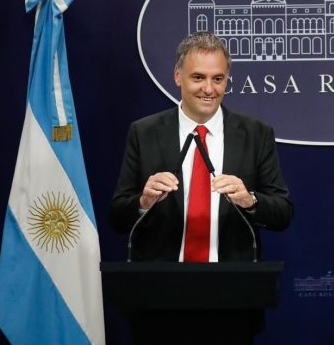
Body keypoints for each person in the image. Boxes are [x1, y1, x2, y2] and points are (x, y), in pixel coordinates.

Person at [109, 31, 293, 343]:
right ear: (177, 76)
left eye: (218, 79)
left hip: (231, 299)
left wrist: (250, 200)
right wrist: (143, 201)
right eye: (198, 77)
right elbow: (117, 216)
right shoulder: (144, 132)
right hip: (158, 299)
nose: (209, 89)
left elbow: (283, 212)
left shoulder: (255, 134)